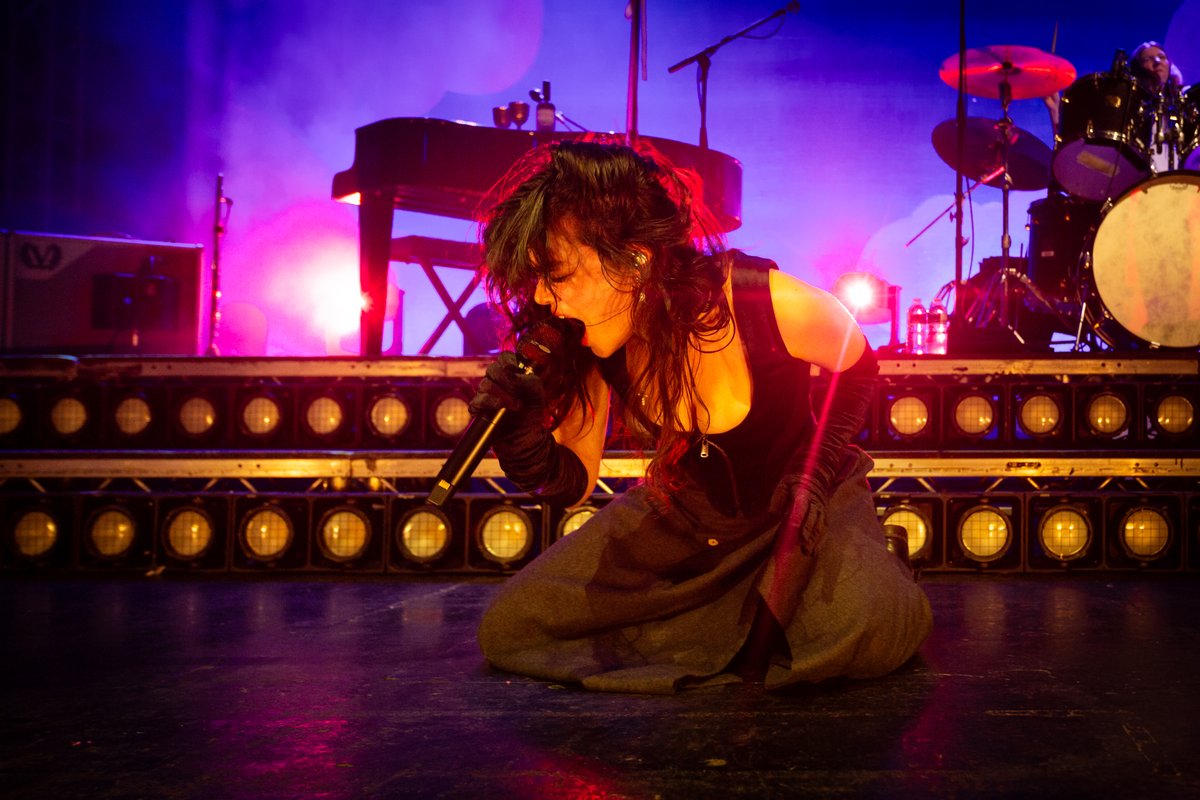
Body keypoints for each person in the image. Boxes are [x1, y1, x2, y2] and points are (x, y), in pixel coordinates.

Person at [470, 138, 932, 694]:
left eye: (558, 275)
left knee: (863, 630)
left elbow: (858, 370)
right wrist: (520, 436)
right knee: (512, 627)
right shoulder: (591, 343)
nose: (544, 298)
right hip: (686, 521)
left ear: (635, 260)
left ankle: (862, 574)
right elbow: (571, 482)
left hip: (801, 507)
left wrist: (815, 469)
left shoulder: (763, 301)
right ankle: (717, 626)